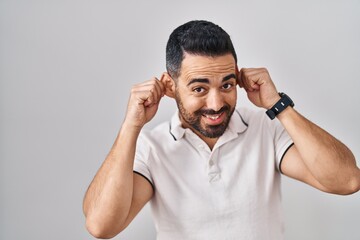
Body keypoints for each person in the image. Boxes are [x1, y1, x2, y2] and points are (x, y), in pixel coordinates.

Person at [83, 20, 360, 239]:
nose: (216, 105)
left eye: (226, 85)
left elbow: (347, 181)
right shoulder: (152, 147)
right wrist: (131, 125)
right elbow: (101, 226)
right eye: (199, 88)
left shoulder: (266, 128)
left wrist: (278, 104)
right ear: (170, 86)